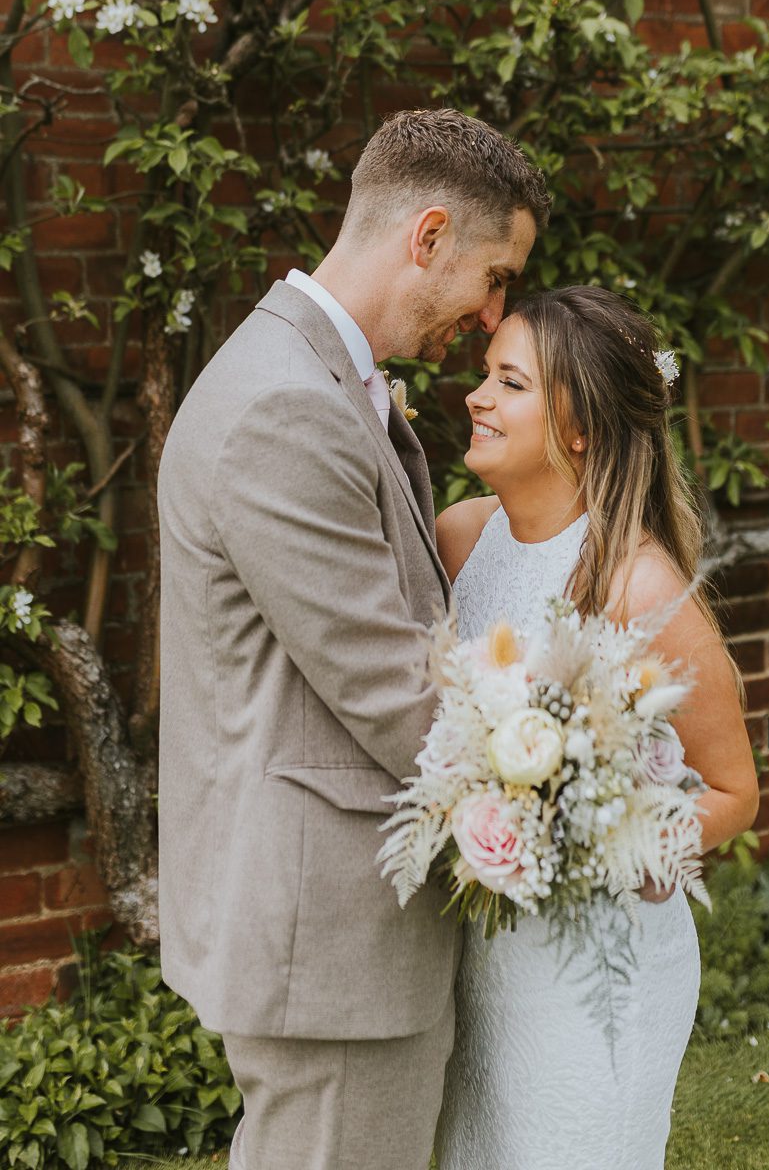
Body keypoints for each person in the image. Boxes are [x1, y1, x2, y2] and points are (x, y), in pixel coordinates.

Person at [157, 108, 549, 1170]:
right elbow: (396, 694)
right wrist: (567, 794)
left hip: (332, 927)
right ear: (427, 236)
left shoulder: (313, 379)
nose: (491, 313)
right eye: (495, 275)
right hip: (328, 937)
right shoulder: (283, 407)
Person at [432, 285, 759, 1170]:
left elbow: (734, 793)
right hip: (483, 953)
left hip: (598, 973)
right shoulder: (461, 539)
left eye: (509, 382)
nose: (476, 397)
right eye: (485, 376)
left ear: (578, 430)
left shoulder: (638, 588)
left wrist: (596, 838)